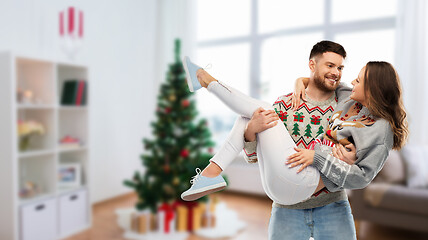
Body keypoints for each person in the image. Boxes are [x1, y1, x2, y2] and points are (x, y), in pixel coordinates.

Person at [181, 42, 408, 239]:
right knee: (252, 117)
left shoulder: (347, 99)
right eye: (329, 66)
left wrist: (320, 157)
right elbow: (254, 158)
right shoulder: (286, 105)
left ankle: (211, 170)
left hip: (331, 204)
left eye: (340, 68)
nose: (338, 74)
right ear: (312, 65)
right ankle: (204, 82)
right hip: (286, 203)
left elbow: (361, 175)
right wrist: (251, 132)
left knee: (255, 111)